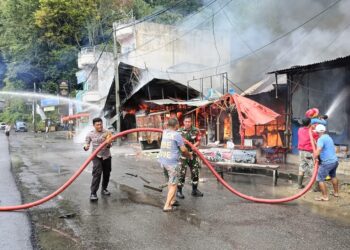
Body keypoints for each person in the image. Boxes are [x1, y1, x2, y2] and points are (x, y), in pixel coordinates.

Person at [158, 118, 192, 212]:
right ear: (176, 125)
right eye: (178, 124)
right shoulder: (177, 135)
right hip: (172, 163)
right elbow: (184, 150)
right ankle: (167, 205)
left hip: (163, 161)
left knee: (171, 181)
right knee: (173, 184)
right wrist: (189, 155)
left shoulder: (165, 132)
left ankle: (172, 200)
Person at [84, 118, 113, 201]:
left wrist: (108, 143)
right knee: (97, 173)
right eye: (98, 124)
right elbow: (86, 143)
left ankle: (104, 189)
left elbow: (110, 144)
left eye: (101, 124)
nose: (100, 126)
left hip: (107, 155)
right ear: (94, 125)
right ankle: (93, 193)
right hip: (96, 155)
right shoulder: (90, 134)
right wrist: (86, 147)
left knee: (107, 173)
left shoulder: (107, 132)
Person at [177, 115, 203, 199]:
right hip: (183, 155)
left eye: (189, 122)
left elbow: (199, 140)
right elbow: (176, 143)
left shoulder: (196, 130)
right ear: (183, 122)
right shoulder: (179, 131)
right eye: (186, 122)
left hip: (193, 155)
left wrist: (194, 145)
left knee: (195, 172)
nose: (188, 123)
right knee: (182, 173)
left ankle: (194, 190)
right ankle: (179, 191)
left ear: (191, 122)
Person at [313, 124, 339, 201]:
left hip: (327, 163)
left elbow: (319, 150)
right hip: (334, 161)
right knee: (333, 176)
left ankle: (325, 197)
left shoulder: (321, 139)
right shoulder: (328, 137)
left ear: (317, 132)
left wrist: (314, 157)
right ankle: (336, 193)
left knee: (320, 179)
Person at [297, 118, 317, 189]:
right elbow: (317, 138)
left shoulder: (300, 130)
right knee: (313, 169)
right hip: (309, 152)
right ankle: (315, 188)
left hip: (301, 152)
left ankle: (299, 185)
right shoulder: (312, 132)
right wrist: (314, 127)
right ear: (310, 123)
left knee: (301, 167)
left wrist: (311, 127)